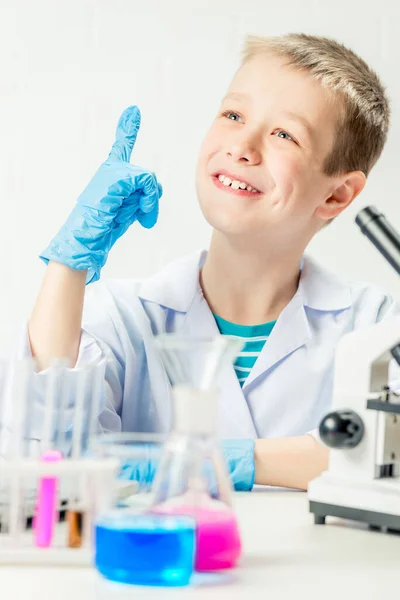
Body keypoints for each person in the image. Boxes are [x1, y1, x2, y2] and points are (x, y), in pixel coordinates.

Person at [25, 33, 394, 491]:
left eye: (285, 134)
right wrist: (67, 264)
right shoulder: (119, 317)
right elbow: (46, 451)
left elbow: (385, 457)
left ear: (337, 194)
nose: (243, 146)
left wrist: (230, 460)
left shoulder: (377, 327)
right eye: (233, 115)